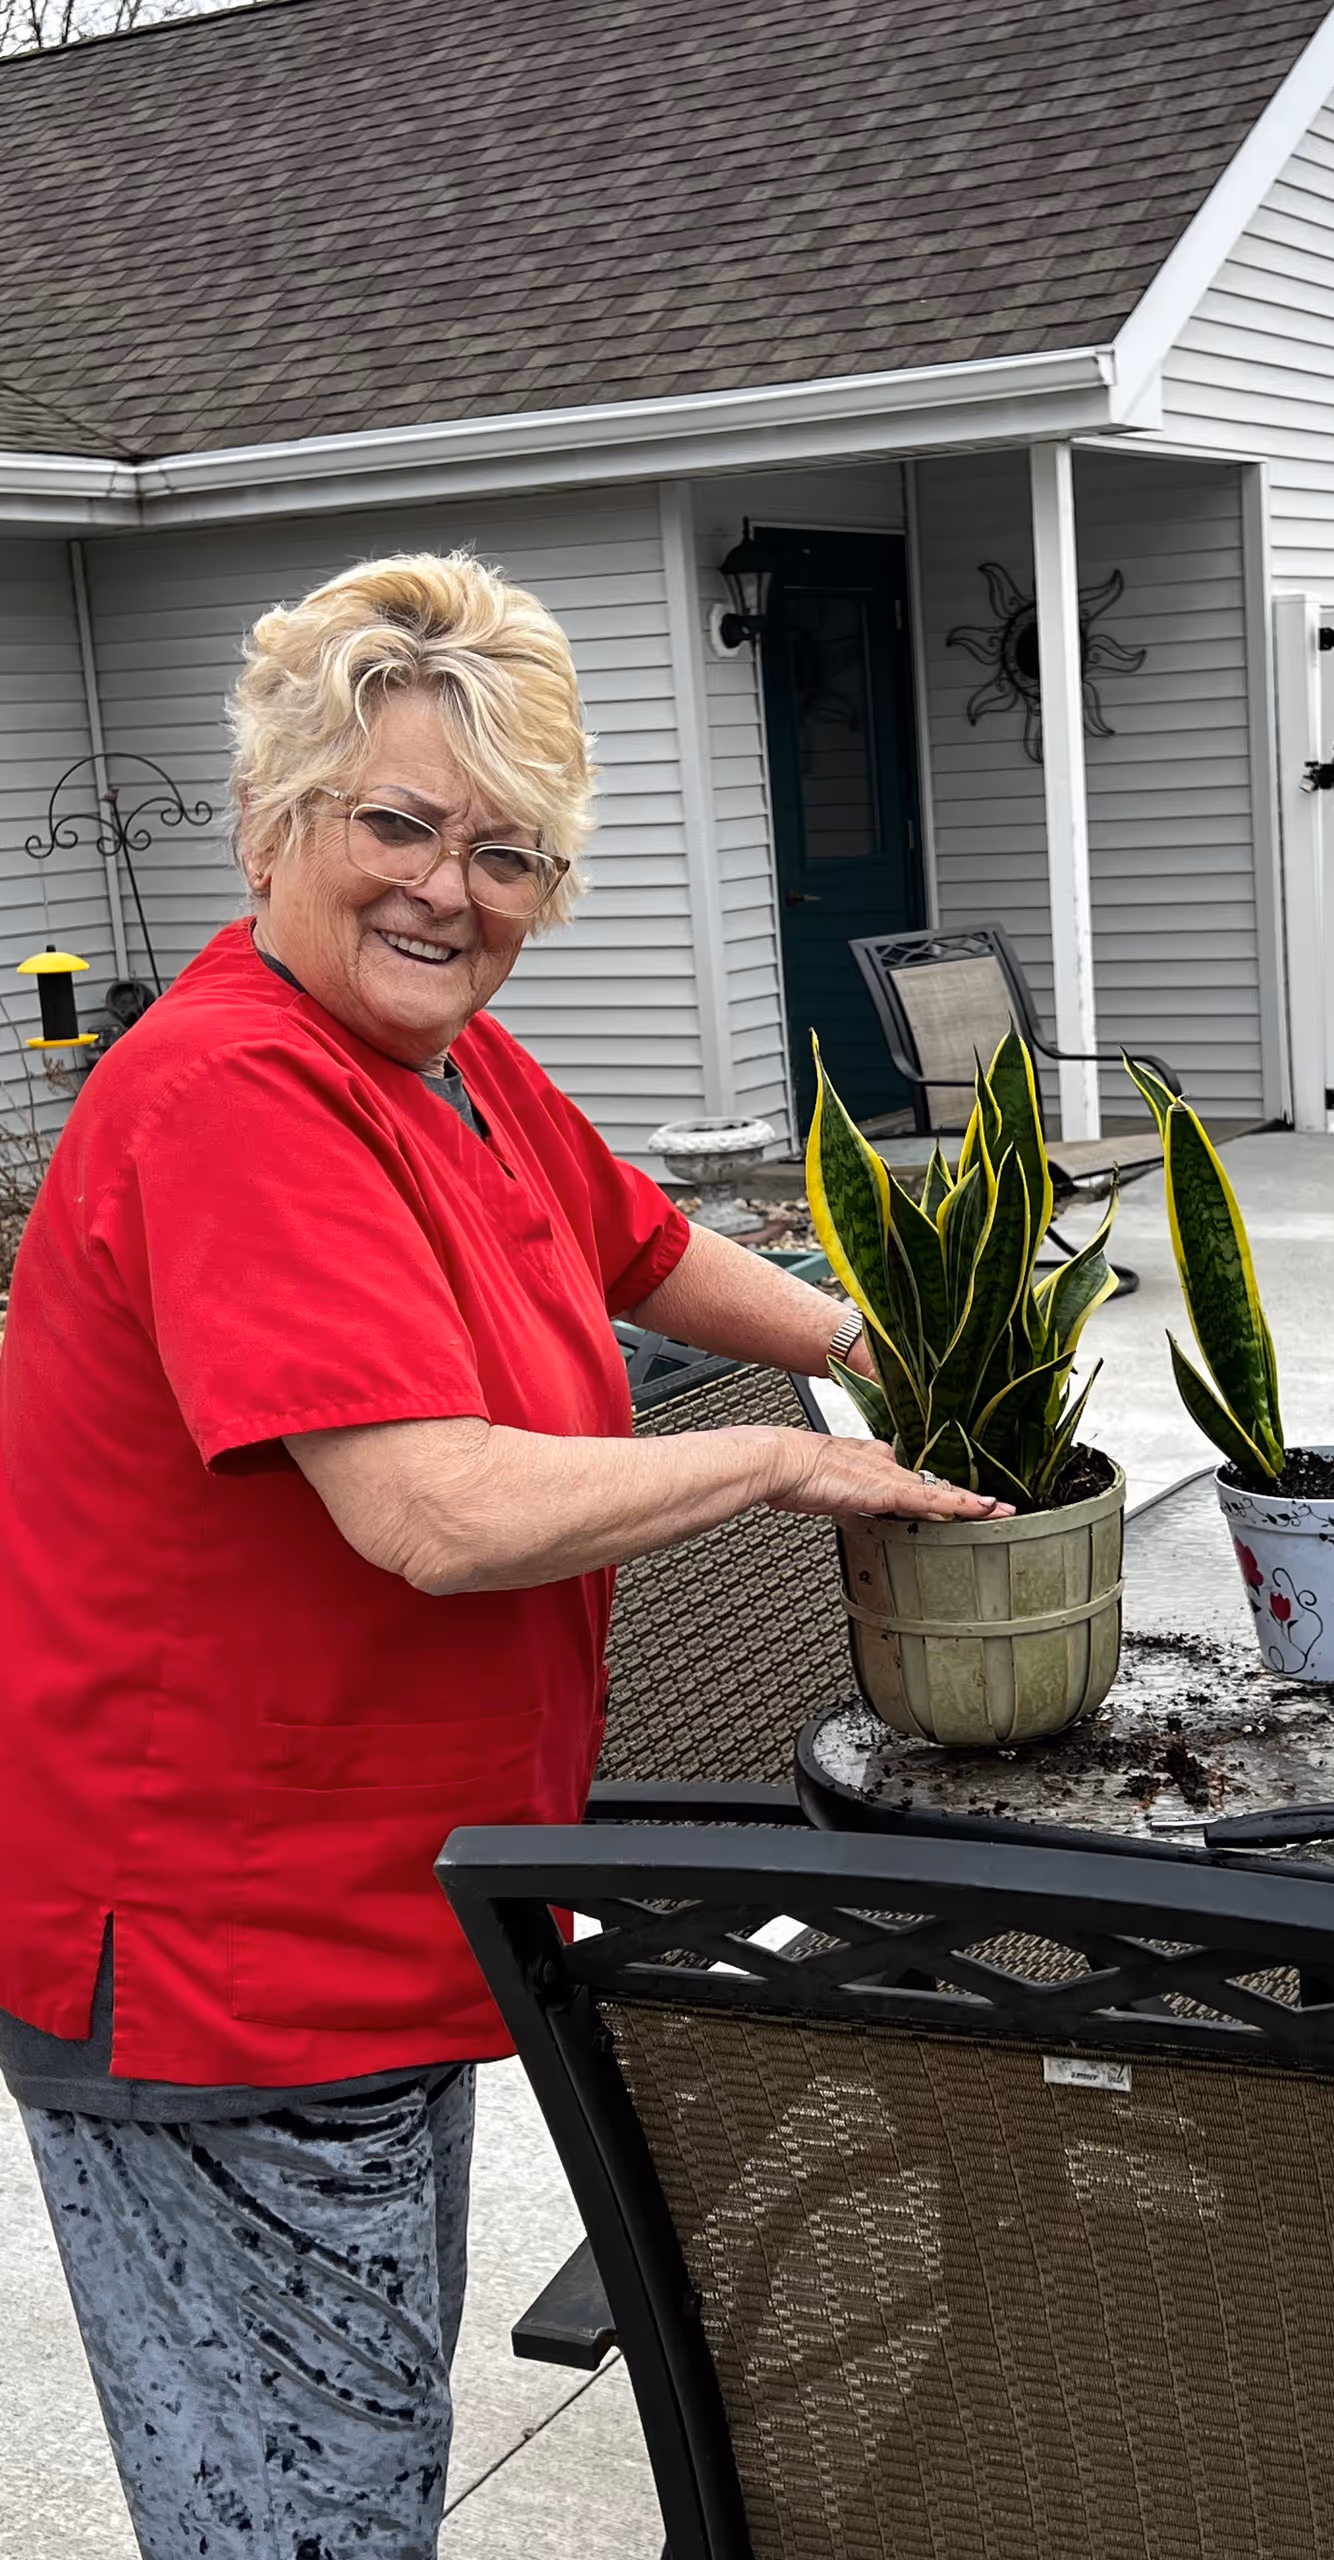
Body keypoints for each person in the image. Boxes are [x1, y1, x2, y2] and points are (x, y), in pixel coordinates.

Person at [0, 551, 1002, 2560]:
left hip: (388, 1915)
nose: (448, 887)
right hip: (225, 1952)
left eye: (511, 853)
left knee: (350, 2465)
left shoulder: (441, 1065)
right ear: (270, 822)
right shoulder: (228, 1092)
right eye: (397, 822)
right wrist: (780, 1475)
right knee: (311, 2516)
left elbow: (646, 1243)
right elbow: (428, 1510)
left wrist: (909, 1334)